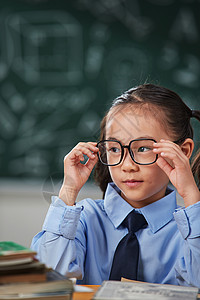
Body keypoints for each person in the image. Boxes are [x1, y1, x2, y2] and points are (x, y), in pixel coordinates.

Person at [31, 84, 200, 287]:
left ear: (183, 150)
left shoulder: (189, 230)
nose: (127, 165)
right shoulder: (83, 218)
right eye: (114, 148)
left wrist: (191, 195)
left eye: (143, 148)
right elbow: (47, 278)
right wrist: (68, 190)